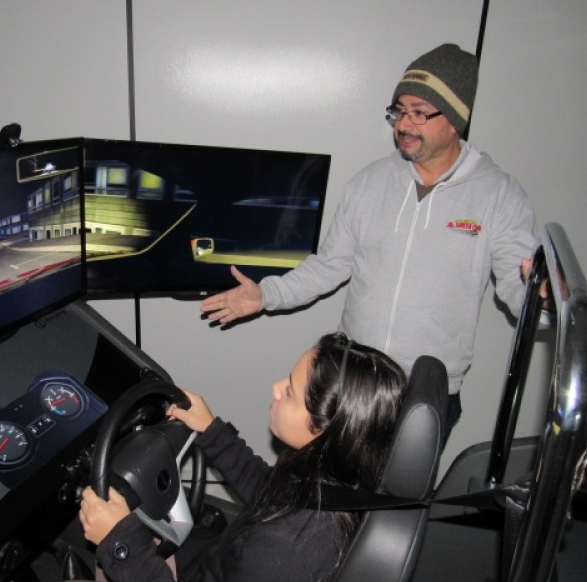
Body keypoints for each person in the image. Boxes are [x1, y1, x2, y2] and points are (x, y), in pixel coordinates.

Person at [200, 43, 539, 431]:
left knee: (398, 496)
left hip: (426, 393)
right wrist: (266, 295)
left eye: (419, 113)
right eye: (399, 111)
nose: (403, 125)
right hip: (353, 380)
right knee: (338, 491)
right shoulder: (370, 182)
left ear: (456, 119)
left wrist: (543, 299)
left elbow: (519, 287)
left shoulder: (499, 195)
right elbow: (330, 266)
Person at [48, 332, 406, 582]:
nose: (276, 388)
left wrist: (120, 544)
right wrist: (212, 431)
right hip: (218, 573)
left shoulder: (286, 553)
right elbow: (271, 492)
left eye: (291, 392)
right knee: (137, 527)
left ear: (323, 428)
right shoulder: (338, 478)